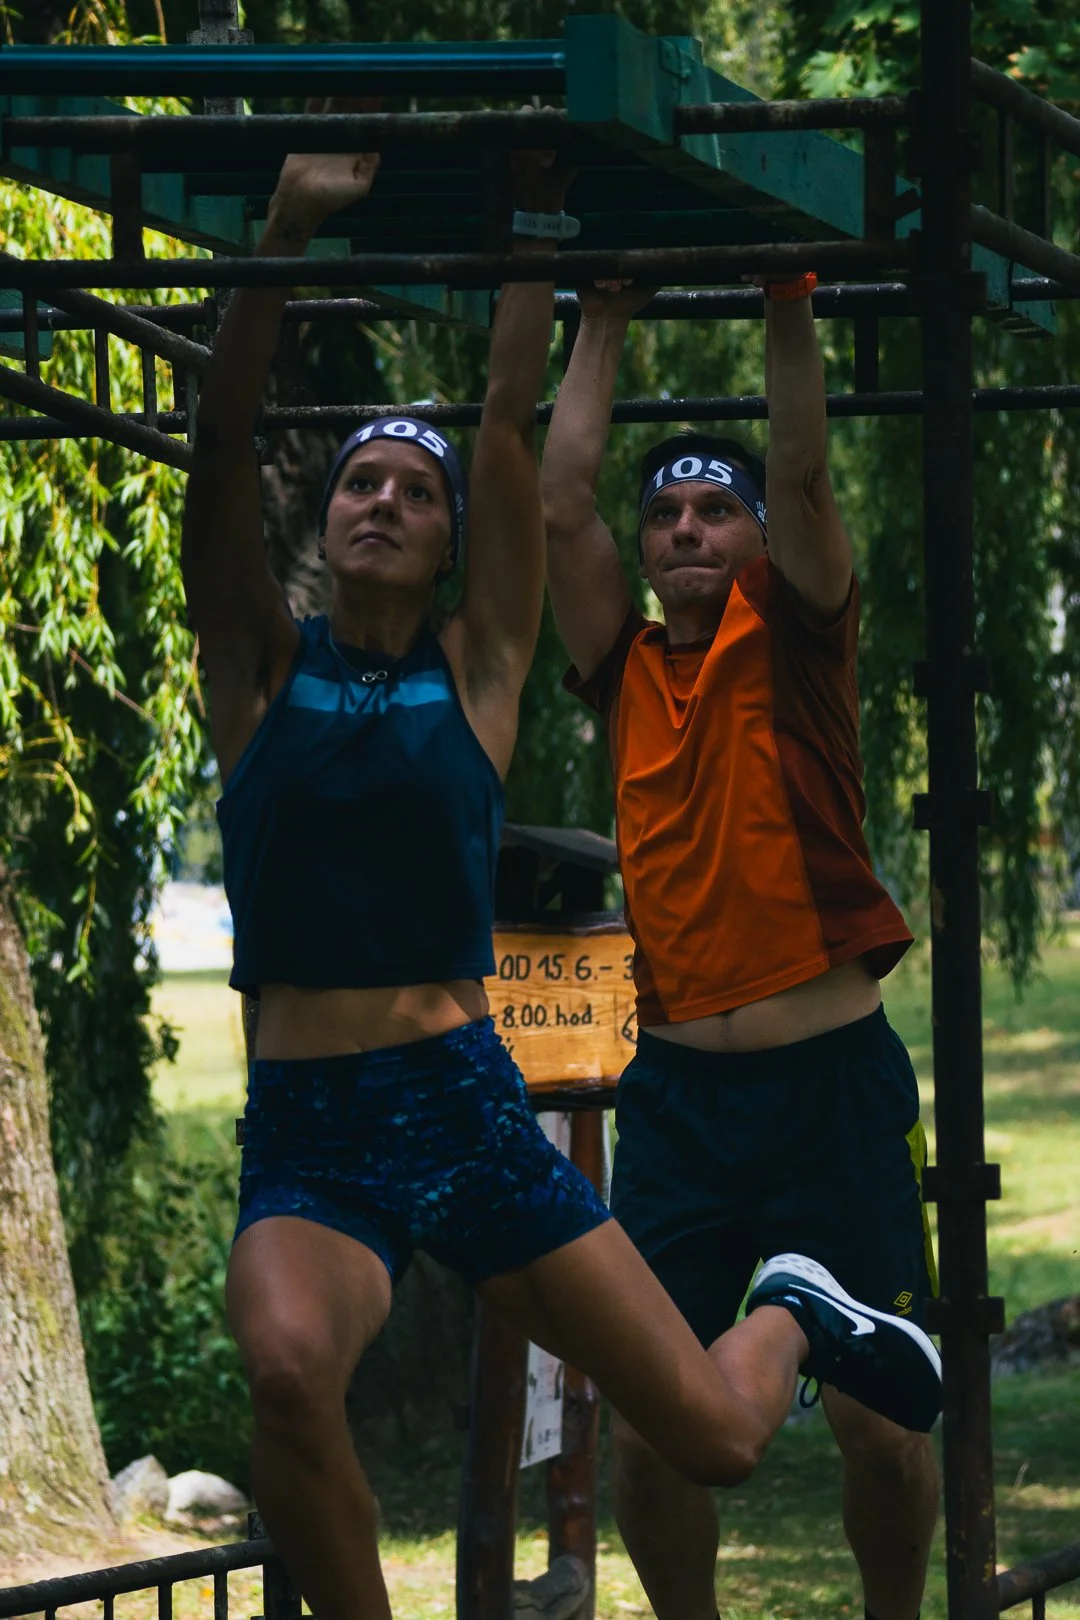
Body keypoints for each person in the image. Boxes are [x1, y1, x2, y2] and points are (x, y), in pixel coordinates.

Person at [183, 124, 939, 1620]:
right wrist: (272, 240)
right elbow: (230, 454)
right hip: (321, 1125)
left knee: (724, 1436)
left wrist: (546, 243)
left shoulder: (505, 669)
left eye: (415, 487)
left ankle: (797, 1312)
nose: (383, 501)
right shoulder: (269, 673)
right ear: (321, 532)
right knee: (284, 1372)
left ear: (457, 535)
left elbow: (525, 440)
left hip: (476, 1102)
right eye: (359, 486)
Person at [541, 274, 942, 1620]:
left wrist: (785, 295)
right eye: (668, 516)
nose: (689, 531)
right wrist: (599, 312)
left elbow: (807, 468)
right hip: (683, 1107)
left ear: (758, 539)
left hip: (831, 1089)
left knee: (882, 1431)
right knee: (653, 1433)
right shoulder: (625, 666)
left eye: (717, 511)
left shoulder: (800, 636)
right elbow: (555, 507)